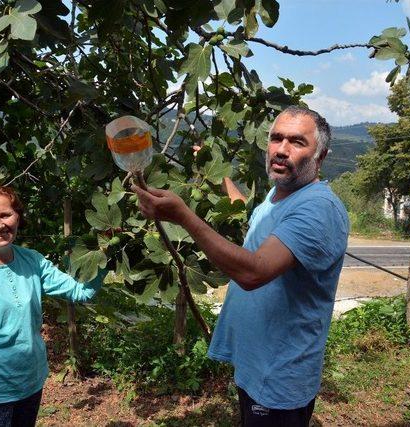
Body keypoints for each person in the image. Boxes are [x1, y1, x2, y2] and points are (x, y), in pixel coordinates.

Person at [132, 106, 349, 426]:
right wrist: (219, 172)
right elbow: (249, 214)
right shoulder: (281, 193)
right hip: (259, 363)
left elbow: (254, 271)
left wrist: (182, 216)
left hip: (279, 375)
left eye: (297, 142)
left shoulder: (318, 208)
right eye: (276, 139)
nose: (282, 149)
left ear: (321, 156)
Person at [0, 186, 103, 427]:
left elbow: (82, 291)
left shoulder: (33, 261)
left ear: (18, 216)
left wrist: (106, 251)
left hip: (30, 386)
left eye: (5, 215)